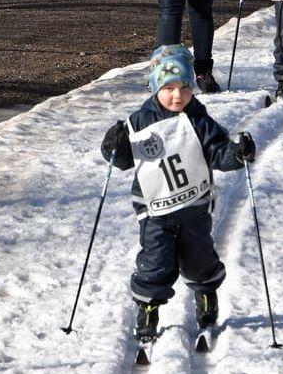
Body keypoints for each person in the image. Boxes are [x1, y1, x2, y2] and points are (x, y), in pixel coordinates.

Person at [100, 44, 256, 342]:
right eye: (168, 87)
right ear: (155, 86)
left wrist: (238, 154)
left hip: (194, 206)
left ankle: (207, 297)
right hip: (154, 207)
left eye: (184, 87)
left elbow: (218, 152)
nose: (177, 95)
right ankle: (148, 310)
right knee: (156, 260)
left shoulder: (199, 120)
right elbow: (121, 160)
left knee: (199, 258)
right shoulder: (139, 121)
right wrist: (113, 145)